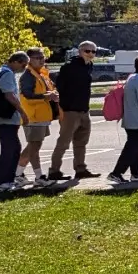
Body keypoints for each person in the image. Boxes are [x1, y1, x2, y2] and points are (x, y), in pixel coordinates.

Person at [48, 42, 98, 181]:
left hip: (84, 110)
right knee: (63, 142)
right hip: (70, 110)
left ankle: (80, 169)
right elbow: (60, 87)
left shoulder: (89, 66)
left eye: (94, 52)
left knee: (81, 142)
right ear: (80, 51)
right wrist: (64, 105)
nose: (91, 54)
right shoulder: (69, 66)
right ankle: (54, 171)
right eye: (88, 51)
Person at [0, 51, 31, 192]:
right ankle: (0, 183)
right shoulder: (6, 73)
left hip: (6, 118)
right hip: (4, 117)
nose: (24, 68)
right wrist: (23, 113)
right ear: (15, 62)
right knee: (9, 149)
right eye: (23, 65)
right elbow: (9, 96)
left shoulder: (2, 72)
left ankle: (9, 180)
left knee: (15, 148)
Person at [14, 47, 58, 187]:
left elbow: (49, 90)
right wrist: (47, 96)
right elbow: (27, 95)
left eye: (42, 57)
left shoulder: (41, 74)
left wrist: (53, 94)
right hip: (32, 117)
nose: (41, 60)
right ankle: (36, 176)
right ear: (29, 60)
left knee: (34, 146)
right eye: (37, 57)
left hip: (41, 116)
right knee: (34, 147)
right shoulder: (28, 76)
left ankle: (18, 174)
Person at [109, 55, 138, 183]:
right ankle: (116, 173)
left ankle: (136, 173)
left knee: (137, 148)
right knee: (132, 148)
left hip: (132, 119)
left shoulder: (132, 78)